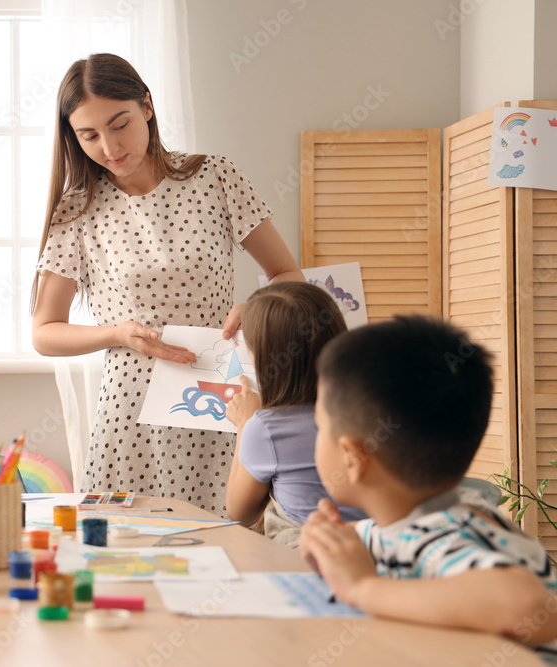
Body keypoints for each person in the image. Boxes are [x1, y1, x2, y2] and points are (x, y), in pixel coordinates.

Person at [30, 53, 304, 515]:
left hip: (219, 396)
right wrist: (117, 334)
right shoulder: (77, 209)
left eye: (120, 124)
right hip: (128, 409)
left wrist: (257, 305)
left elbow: (287, 273)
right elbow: (44, 331)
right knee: (123, 550)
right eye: (89, 135)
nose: (110, 147)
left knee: (222, 544)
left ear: (148, 107)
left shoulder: (215, 176)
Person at [301, 315, 557, 644]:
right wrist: (327, 544)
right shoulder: (409, 525)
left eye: (320, 426)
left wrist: (362, 588)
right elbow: (364, 539)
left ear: (352, 458)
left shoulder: (440, 539)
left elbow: (529, 606)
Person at [224, 282, 365, 545]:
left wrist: (244, 424)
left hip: (305, 550)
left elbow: (239, 512)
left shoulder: (265, 428)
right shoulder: (372, 406)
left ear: (266, 360)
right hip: (374, 542)